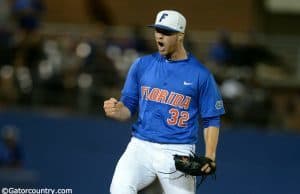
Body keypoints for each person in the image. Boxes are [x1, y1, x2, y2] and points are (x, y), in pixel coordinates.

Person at [103, 10, 225, 194]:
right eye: (157, 30)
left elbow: (211, 119)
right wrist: (116, 109)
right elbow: (127, 106)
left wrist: (210, 155)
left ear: (180, 36)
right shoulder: (141, 65)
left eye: (167, 32)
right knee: (119, 189)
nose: (160, 35)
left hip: (178, 150)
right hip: (140, 146)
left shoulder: (201, 74)